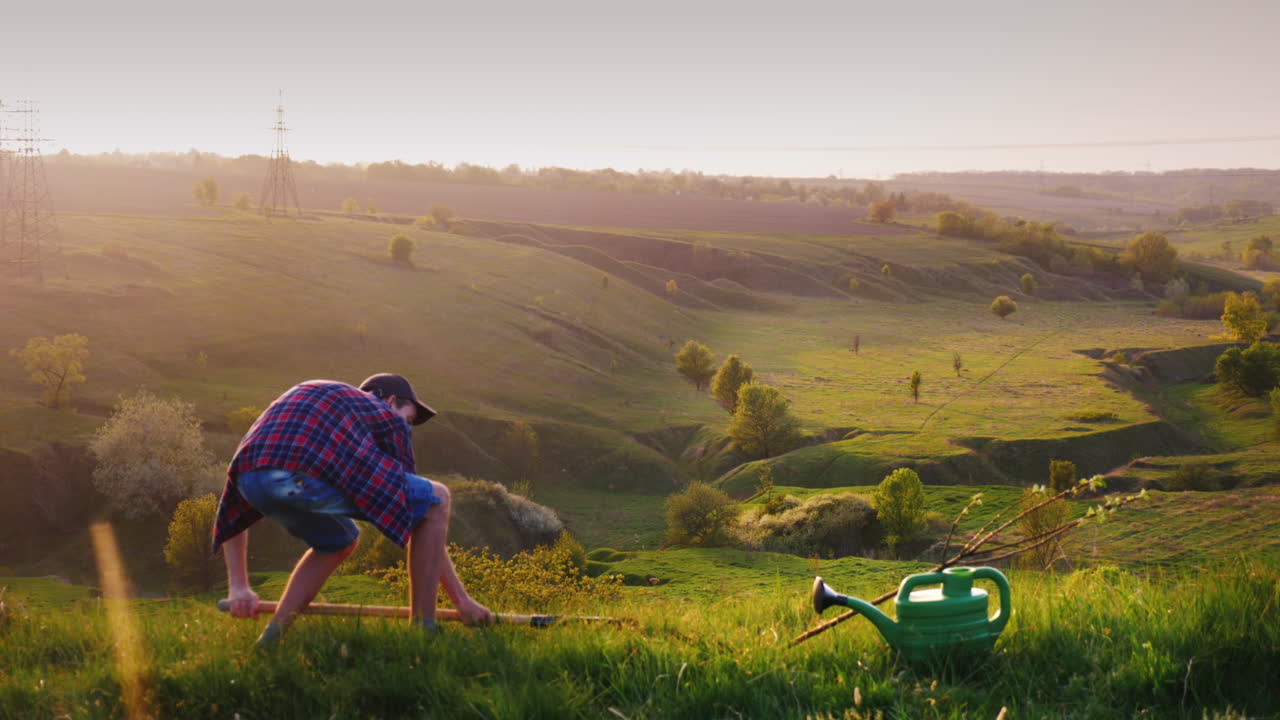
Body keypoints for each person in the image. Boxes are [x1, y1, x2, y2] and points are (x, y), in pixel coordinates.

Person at [212, 373, 493, 647]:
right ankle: (423, 632)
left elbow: (232, 503)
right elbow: (417, 516)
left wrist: (239, 585)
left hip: (251, 481)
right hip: (303, 475)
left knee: (340, 540)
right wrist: (461, 601)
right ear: (391, 400)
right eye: (409, 418)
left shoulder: (311, 399)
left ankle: (272, 639)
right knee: (438, 496)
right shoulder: (387, 416)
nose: (407, 427)